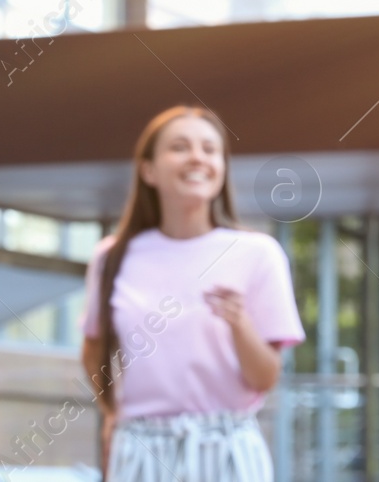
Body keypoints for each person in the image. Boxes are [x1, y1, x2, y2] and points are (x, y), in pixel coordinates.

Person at [81, 105, 304, 482]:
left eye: (210, 149)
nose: (198, 157)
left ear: (222, 168)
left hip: (228, 446)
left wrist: (239, 323)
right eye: (180, 147)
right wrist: (114, 414)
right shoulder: (111, 257)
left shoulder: (258, 253)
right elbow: (93, 350)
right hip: (141, 448)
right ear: (148, 169)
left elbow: (266, 377)